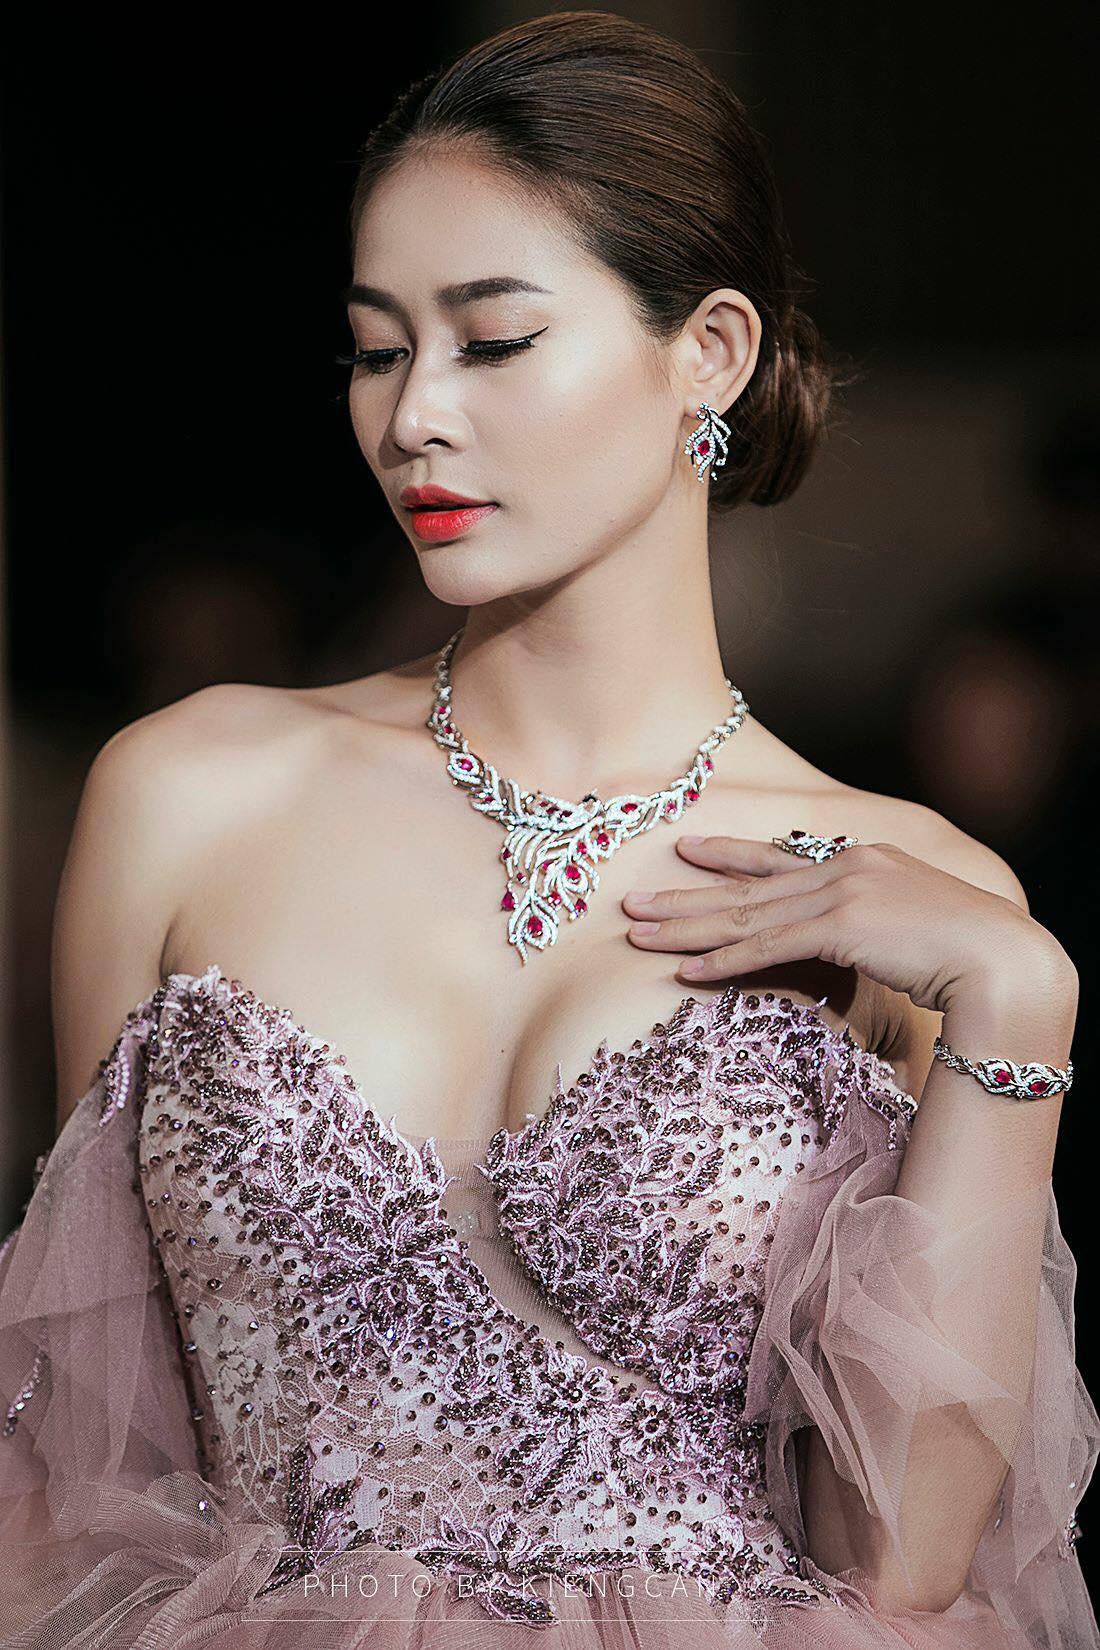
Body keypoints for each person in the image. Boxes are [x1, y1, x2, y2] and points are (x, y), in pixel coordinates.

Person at [1, 11, 1095, 1647]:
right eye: (378, 349)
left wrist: (1020, 998)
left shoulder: (922, 893)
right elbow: (78, 1462)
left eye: (494, 339)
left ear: (709, 353)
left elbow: (899, 1566)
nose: (413, 417)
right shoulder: (189, 793)